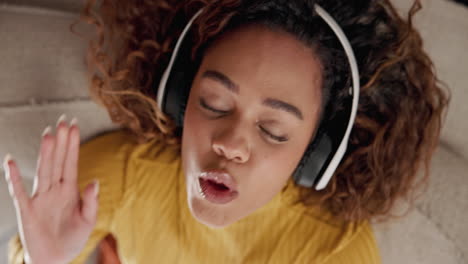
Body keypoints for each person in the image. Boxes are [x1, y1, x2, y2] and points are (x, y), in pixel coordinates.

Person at [5, 0, 449, 263]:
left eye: (274, 130)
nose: (231, 144)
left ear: (316, 153)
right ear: (180, 93)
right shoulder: (123, 176)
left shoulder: (333, 253)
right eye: (213, 103)